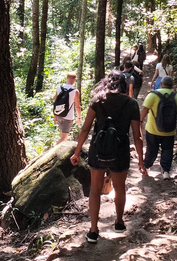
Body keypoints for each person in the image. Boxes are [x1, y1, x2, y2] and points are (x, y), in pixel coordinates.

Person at [70, 70, 146, 243]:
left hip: (99, 149)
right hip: (120, 151)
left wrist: (77, 152)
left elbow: (85, 128)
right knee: (120, 187)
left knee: (95, 189)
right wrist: (141, 161)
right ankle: (119, 223)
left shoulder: (98, 101)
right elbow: (137, 135)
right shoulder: (131, 104)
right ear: (124, 85)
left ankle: (93, 230)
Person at [140, 76, 177, 180]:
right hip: (169, 131)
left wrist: (140, 122)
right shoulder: (176, 96)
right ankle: (166, 171)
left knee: (151, 150)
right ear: (172, 86)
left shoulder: (152, 95)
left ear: (161, 84)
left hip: (152, 130)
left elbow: (145, 110)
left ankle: (146, 167)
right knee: (167, 150)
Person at [52, 72, 82, 143]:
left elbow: (55, 101)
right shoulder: (75, 91)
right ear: (74, 80)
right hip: (68, 117)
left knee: (62, 136)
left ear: (67, 78)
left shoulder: (59, 88)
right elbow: (77, 106)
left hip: (59, 114)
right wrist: (79, 118)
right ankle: (53, 152)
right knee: (63, 139)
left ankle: (58, 152)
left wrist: (55, 115)